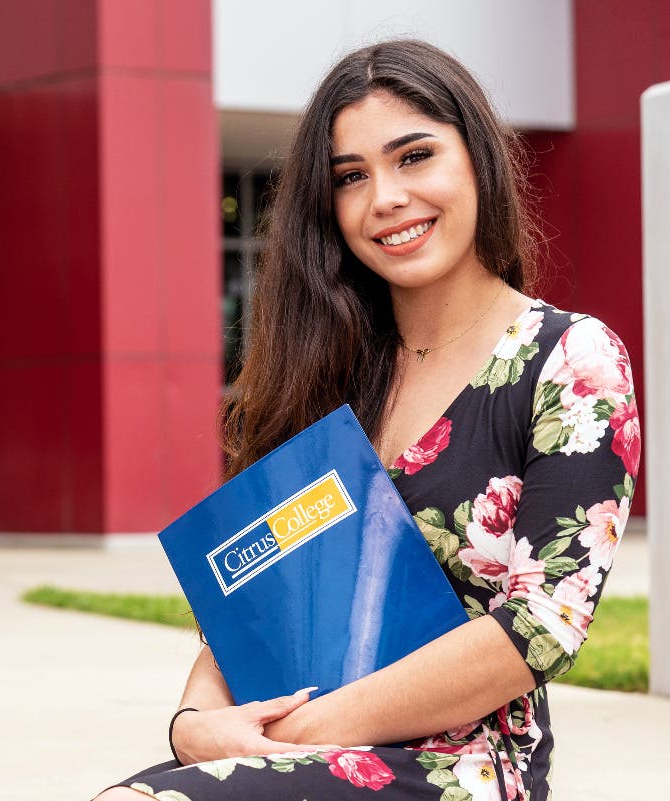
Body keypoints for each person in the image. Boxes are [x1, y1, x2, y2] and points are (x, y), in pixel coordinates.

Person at [93, 39, 640, 801]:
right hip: (299, 747)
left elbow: (539, 627)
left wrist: (297, 735)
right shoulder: (327, 371)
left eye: (413, 156)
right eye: (351, 176)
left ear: (477, 159)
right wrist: (193, 723)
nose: (384, 197)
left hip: (466, 767)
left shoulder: (571, 360)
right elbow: (253, 601)